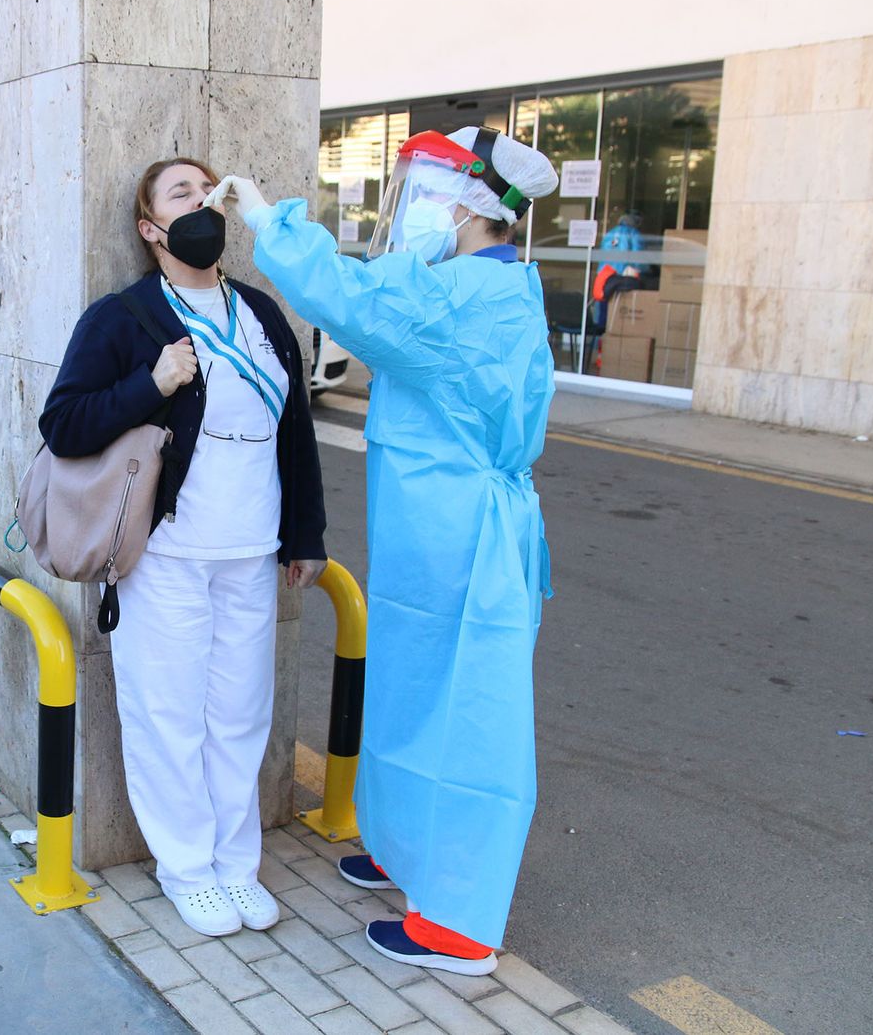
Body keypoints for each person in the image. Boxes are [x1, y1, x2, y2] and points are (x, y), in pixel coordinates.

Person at [208, 126, 559, 975]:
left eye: (430, 192)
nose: (415, 212)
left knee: (467, 717)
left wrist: (266, 217)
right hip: (434, 534)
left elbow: (354, 299)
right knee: (409, 693)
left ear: (475, 206)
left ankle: (460, 923)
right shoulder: (482, 280)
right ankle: (406, 852)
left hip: (461, 537)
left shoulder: (467, 297)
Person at [38, 158, 328, 937]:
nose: (202, 205)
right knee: (168, 716)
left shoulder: (263, 314)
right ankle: (187, 869)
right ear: (150, 228)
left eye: (209, 193)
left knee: (239, 717)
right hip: (165, 553)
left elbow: (294, 432)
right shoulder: (123, 316)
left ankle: (236, 866)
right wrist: (152, 384)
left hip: (251, 550)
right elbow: (63, 424)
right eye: (182, 195)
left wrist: (304, 535)